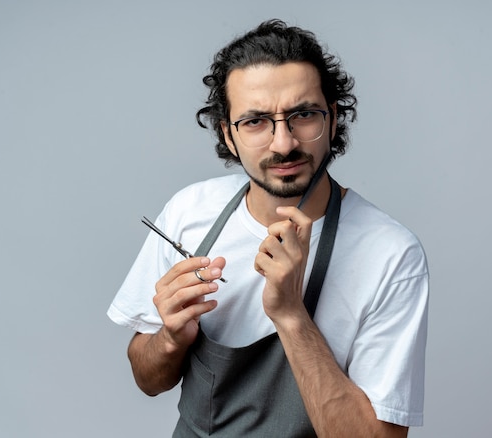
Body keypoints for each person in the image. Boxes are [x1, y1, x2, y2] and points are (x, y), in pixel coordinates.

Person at [108, 19, 429, 437]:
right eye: (256, 121)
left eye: (304, 115)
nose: (283, 143)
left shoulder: (390, 254)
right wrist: (170, 338)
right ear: (228, 133)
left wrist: (291, 316)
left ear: (332, 119)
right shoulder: (190, 211)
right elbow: (148, 379)